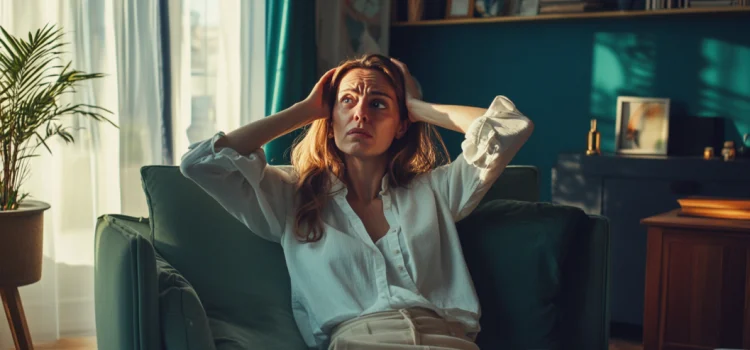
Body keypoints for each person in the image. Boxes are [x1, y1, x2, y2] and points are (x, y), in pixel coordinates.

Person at [180, 54, 534, 350]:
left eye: (378, 103)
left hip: (449, 342)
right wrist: (304, 110)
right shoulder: (293, 196)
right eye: (347, 101)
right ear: (330, 116)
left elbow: (509, 125)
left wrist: (417, 106)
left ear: (400, 125)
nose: (361, 113)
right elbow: (201, 164)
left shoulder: (436, 190)